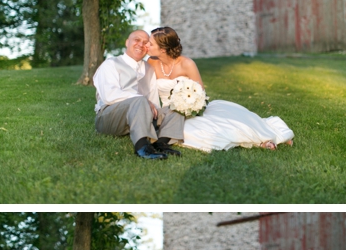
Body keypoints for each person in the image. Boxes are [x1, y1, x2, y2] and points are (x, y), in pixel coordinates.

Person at [147, 27, 294, 152]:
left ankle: (262, 139)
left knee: (206, 130)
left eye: (150, 43)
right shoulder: (152, 62)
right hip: (168, 111)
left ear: (163, 49)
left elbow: (200, 94)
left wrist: (187, 108)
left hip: (191, 110)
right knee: (181, 131)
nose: (147, 45)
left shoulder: (187, 64)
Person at [93, 30, 185, 160]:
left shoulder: (149, 69)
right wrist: (141, 100)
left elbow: (153, 100)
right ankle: (142, 147)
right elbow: (109, 95)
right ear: (127, 42)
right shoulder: (111, 64)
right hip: (109, 117)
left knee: (175, 108)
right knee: (140, 100)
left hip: (139, 116)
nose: (141, 44)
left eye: (145, 42)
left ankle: (161, 143)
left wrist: (160, 115)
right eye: (137, 40)